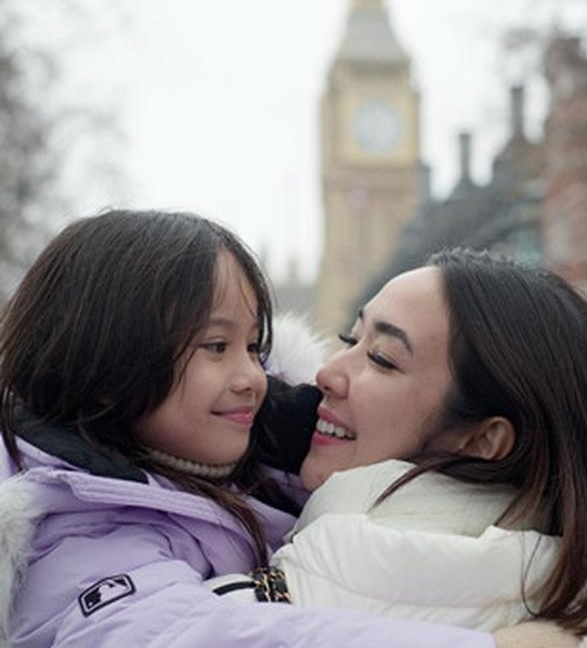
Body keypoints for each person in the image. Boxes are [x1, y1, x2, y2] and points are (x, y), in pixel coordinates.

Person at [0, 211, 495, 647]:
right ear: (106, 370)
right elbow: (185, 636)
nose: (251, 378)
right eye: (216, 346)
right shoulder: (75, 530)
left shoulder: (264, 466)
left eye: (254, 347)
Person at [208, 249, 587, 642]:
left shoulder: (266, 606)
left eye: (382, 359)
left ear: (483, 440)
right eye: (350, 340)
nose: (327, 373)